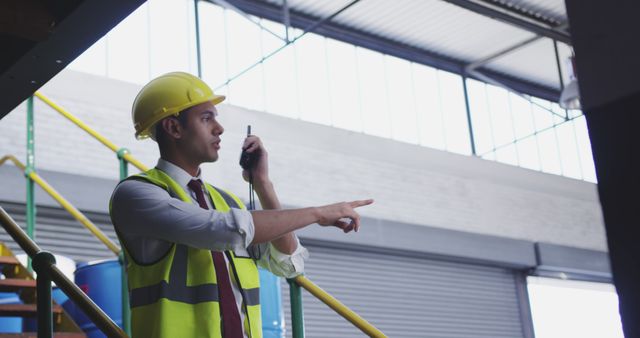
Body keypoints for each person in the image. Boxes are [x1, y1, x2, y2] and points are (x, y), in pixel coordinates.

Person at [109, 72, 373, 338]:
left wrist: (262, 184)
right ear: (174, 128)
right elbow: (219, 230)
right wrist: (317, 213)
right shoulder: (136, 195)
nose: (219, 128)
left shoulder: (227, 202)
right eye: (206, 118)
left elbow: (288, 262)